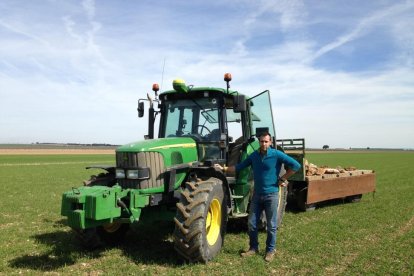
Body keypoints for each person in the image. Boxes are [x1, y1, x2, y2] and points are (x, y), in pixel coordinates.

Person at [215, 132, 301, 262]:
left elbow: (296, 165)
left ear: (270, 142)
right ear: (259, 142)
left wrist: (283, 178)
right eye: (262, 141)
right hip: (257, 195)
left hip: (271, 195)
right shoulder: (254, 156)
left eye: (266, 142)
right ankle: (253, 248)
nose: (264, 144)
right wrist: (224, 168)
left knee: (271, 225)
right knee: (252, 223)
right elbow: (240, 166)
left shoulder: (276, 154)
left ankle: (270, 250)